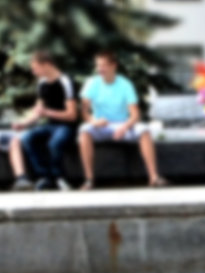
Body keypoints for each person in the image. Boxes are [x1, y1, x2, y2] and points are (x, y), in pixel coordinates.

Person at [78, 51, 166, 190]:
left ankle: (154, 177)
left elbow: (135, 114)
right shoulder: (92, 83)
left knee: (144, 130)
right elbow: (84, 110)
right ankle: (89, 179)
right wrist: (93, 122)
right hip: (101, 125)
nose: (100, 69)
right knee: (84, 131)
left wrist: (125, 127)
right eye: (98, 66)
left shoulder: (125, 84)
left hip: (123, 125)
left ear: (114, 66)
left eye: (103, 66)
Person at [9, 50, 78, 191]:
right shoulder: (42, 83)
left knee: (55, 142)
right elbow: (39, 110)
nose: (33, 72)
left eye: (35, 68)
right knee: (28, 137)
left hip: (66, 126)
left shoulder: (65, 81)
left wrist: (47, 112)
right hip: (50, 125)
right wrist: (24, 123)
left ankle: (59, 177)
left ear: (46, 65)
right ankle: (44, 176)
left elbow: (72, 115)